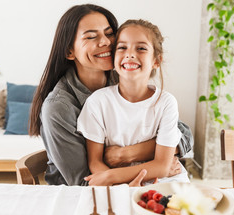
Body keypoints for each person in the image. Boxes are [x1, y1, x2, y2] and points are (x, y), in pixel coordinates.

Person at [29, 4, 193, 186]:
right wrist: (147, 171)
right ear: (69, 51)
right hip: (78, 196)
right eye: (91, 36)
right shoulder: (59, 107)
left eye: (109, 33)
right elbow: (83, 182)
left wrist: (125, 154)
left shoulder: (124, 76)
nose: (106, 42)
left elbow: (184, 134)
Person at [78, 19, 190, 186]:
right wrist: (121, 187)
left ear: (156, 60)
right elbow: (95, 162)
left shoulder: (166, 103)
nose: (130, 54)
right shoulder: (98, 102)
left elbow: (162, 166)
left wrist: (111, 177)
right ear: (114, 57)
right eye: (122, 47)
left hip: (167, 183)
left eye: (141, 48)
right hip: (118, 187)